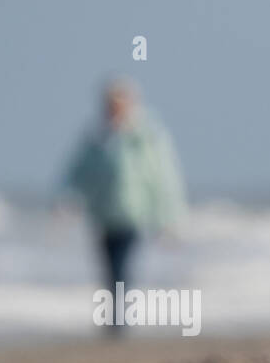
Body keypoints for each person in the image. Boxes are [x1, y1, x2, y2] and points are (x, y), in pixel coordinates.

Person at [61, 78, 186, 331]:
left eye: (119, 103)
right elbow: (77, 173)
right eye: (110, 104)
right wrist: (67, 201)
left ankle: (119, 323)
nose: (114, 108)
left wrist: (169, 219)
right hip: (103, 216)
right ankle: (113, 319)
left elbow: (164, 179)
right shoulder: (97, 139)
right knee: (109, 272)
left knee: (122, 270)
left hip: (133, 215)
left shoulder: (146, 137)